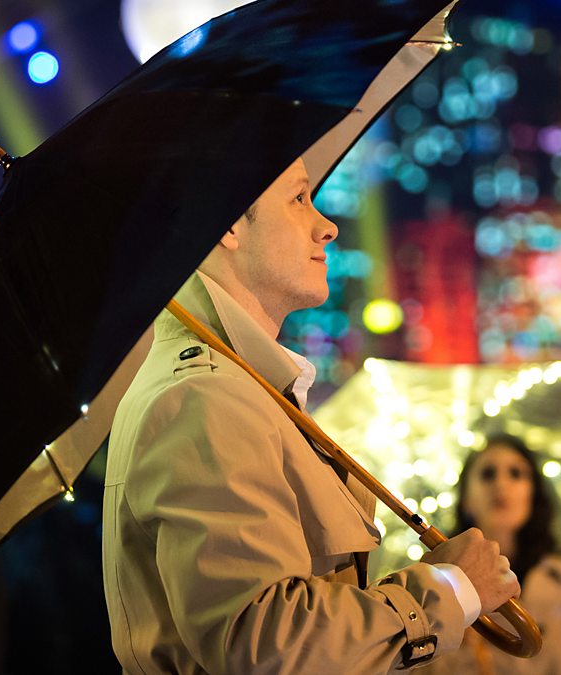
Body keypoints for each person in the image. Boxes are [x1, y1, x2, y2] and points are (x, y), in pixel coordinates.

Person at [102, 157, 522, 674]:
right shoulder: (207, 397)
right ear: (228, 223)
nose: (327, 227)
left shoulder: (238, 389)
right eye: (299, 198)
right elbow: (266, 643)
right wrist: (447, 590)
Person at [426, 434, 561, 675]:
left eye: (516, 473)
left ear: (533, 494)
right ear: (466, 499)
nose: (501, 484)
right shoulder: (435, 583)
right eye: (487, 474)